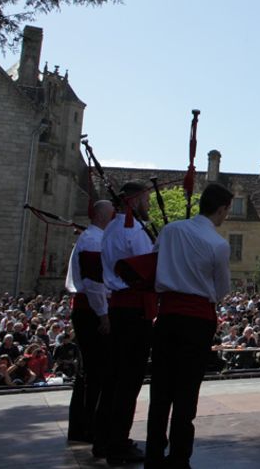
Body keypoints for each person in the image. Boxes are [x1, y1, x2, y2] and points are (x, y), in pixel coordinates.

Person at [145, 182, 233, 468]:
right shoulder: (218, 244)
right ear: (221, 209)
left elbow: (154, 262)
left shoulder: (171, 230)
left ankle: (154, 453)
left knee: (160, 390)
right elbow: (221, 290)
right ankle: (180, 456)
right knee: (186, 391)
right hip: (197, 319)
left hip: (168, 315)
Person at [99, 181, 154, 464]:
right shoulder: (132, 231)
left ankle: (107, 439)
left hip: (121, 307)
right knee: (128, 381)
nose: (149, 205)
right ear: (133, 201)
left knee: (115, 378)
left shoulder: (111, 228)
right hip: (133, 309)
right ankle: (117, 443)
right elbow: (149, 267)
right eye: (145, 200)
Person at [65, 199, 114, 445]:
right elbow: (95, 283)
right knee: (95, 372)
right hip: (91, 310)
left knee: (89, 372)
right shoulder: (94, 240)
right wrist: (104, 314)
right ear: (103, 216)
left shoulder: (91, 238)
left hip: (89, 308)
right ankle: (89, 427)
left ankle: (82, 427)